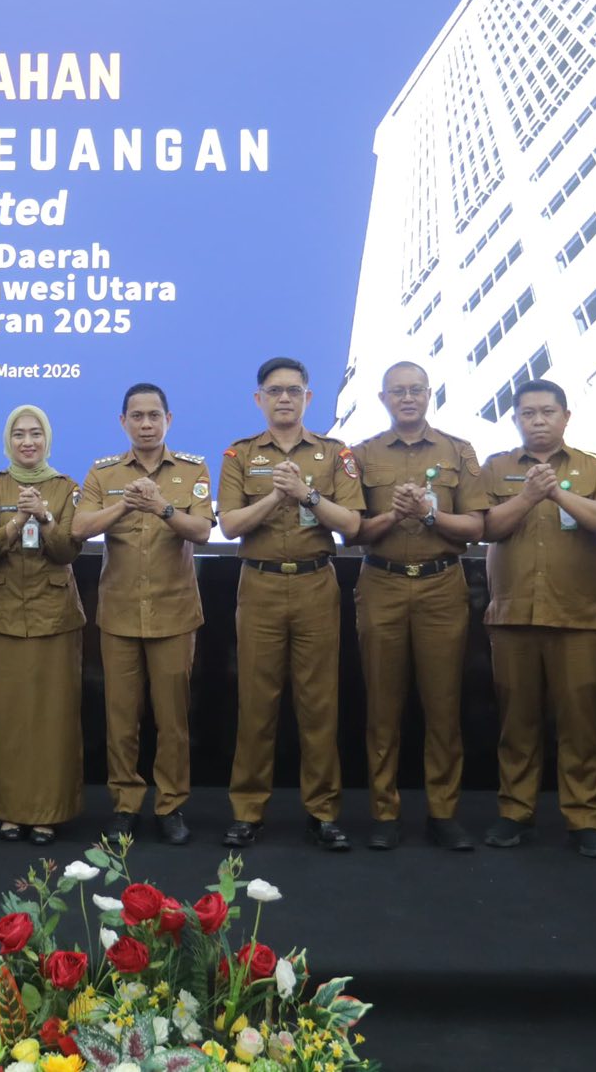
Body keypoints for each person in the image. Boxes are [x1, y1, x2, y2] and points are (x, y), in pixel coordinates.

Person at [217, 356, 365, 851]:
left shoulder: (334, 453)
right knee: (256, 704)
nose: (285, 398)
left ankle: (323, 812)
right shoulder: (239, 454)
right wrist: (274, 499)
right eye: (275, 391)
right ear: (259, 399)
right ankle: (247, 811)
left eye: (294, 391)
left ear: (308, 397)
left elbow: (352, 524)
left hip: (314, 584)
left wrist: (306, 494)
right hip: (258, 585)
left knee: (319, 703)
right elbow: (230, 525)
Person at [480, 379, 596, 860]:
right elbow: (486, 527)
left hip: (576, 617)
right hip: (513, 616)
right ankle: (514, 813)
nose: (538, 421)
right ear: (515, 420)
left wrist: (559, 495)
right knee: (516, 723)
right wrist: (528, 496)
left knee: (580, 724)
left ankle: (584, 818)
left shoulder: (592, 466)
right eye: (528, 413)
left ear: (566, 416)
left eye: (547, 412)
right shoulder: (496, 467)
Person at [351, 361, 489, 852]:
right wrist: (394, 515)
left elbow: (476, 527)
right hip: (381, 583)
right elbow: (352, 531)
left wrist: (431, 514)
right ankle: (384, 813)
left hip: (441, 586)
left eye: (415, 390)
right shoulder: (361, 454)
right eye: (397, 391)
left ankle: (443, 812)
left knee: (443, 704)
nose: (407, 398)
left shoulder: (459, 450)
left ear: (430, 394)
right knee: (382, 706)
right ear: (383, 398)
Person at [73, 383, 214, 846]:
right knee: (121, 719)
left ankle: (170, 805)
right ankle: (126, 805)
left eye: (155, 415)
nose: (146, 424)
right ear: (123, 422)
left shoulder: (192, 469)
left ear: (168, 420)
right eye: (137, 416)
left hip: (174, 612)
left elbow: (202, 531)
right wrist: (125, 504)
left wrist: (162, 507)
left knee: (173, 720)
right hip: (119, 614)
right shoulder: (103, 472)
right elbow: (79, 528)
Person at [0, 405, 86, 845]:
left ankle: (48, 814)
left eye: (35, 433)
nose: (27, 442)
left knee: (53, 717)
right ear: (8, 440)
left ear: (47, 439)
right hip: (2, 615)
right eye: (19, 434)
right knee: (7, 717)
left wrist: (45, 516)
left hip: (54, 616)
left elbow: (67, 551)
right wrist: (17, 521)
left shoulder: (66, 487)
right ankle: (10, 811)